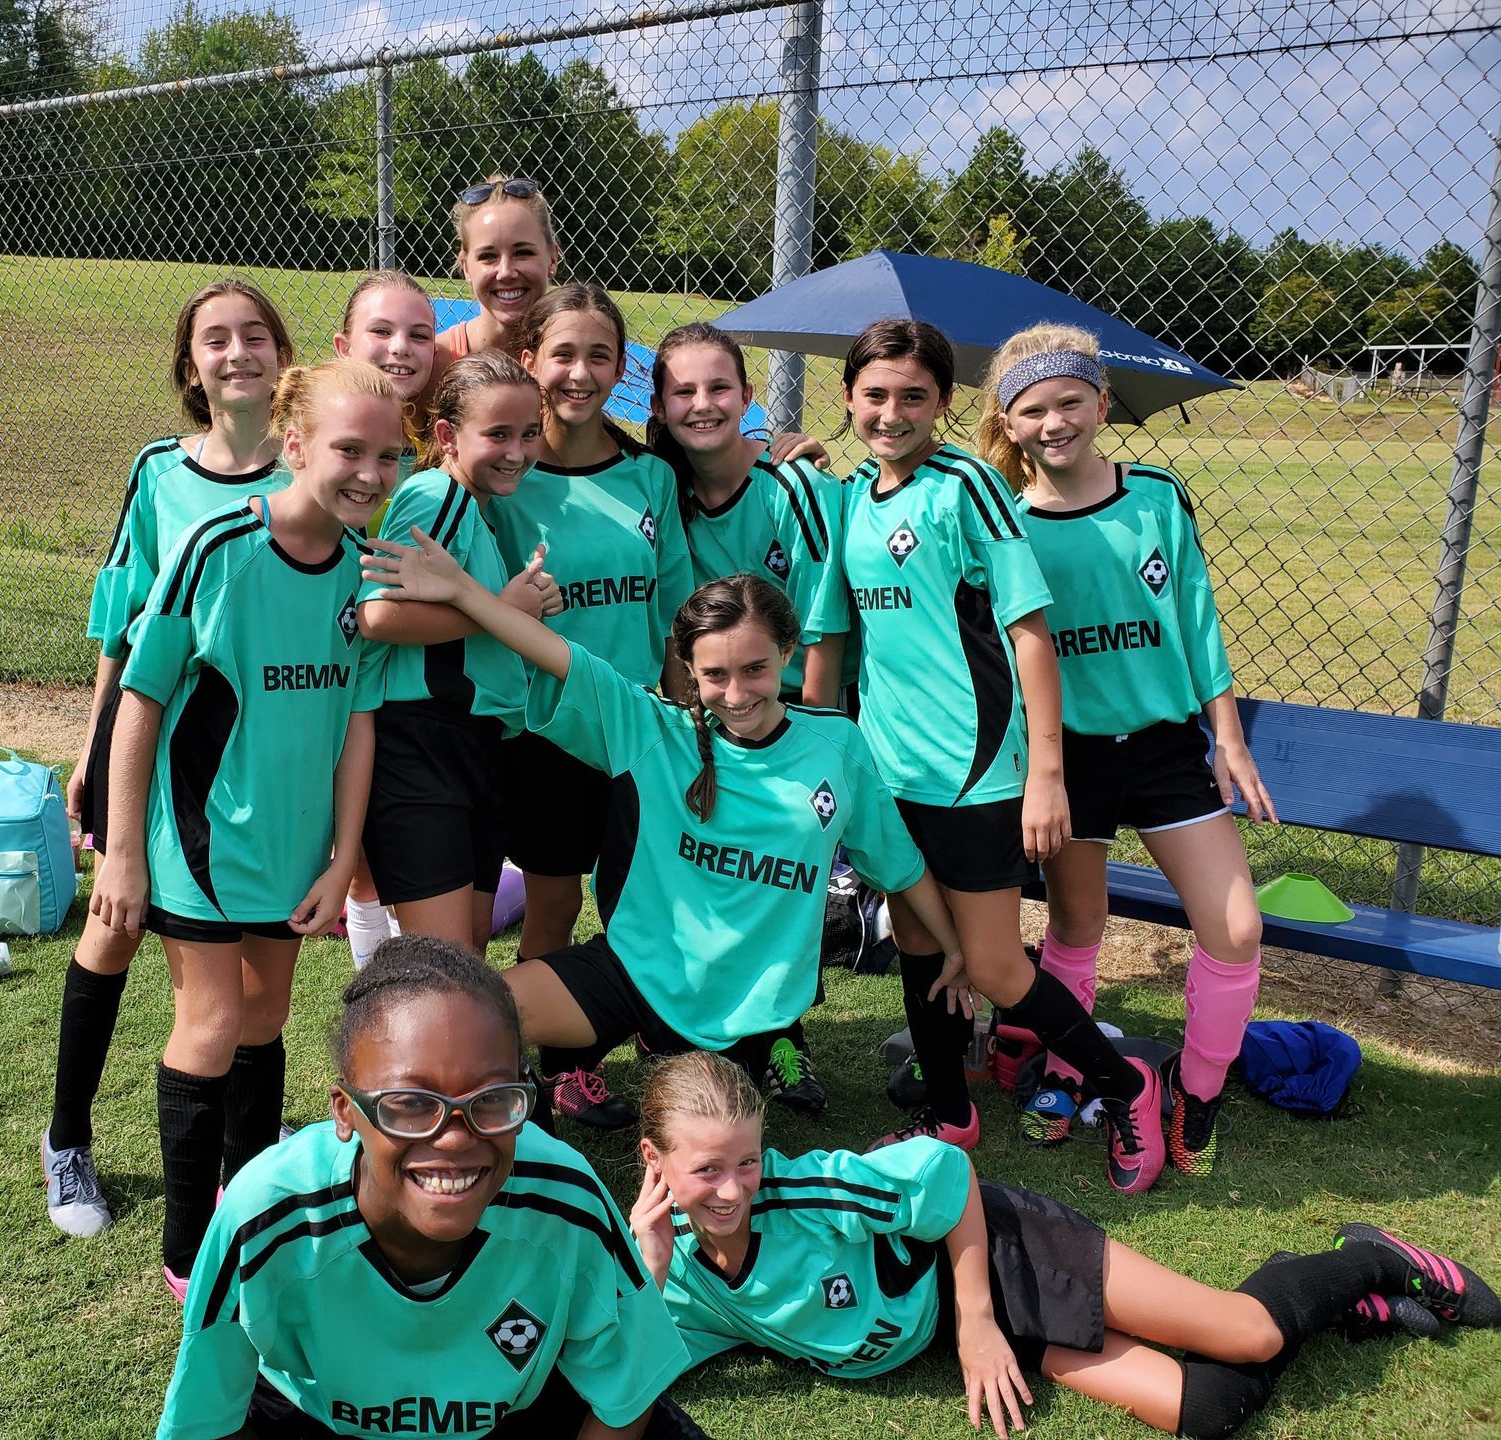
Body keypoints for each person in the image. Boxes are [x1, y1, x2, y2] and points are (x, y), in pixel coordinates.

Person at [361, 526, 970, 1129]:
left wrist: (955, 946)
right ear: (689, 671)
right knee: (458, 1015)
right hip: (632, 969)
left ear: (788, 653)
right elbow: (551, 651)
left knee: (697, 1164)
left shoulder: (835, 746)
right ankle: (450, 1128)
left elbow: (900, 864)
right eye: (715, 676)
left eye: (755, 669)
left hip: (737, 1010)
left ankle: (720, 1073)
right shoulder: (652, 730)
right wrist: (464, 590)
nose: (736, 693)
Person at [627, 1051, 1495, 1440]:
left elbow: (950, 1179)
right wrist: (654, 1269)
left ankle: (1380, 1257)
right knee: (1203, 1409)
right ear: (654, 1163)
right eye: (708, 1171)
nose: (737, 1188)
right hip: (960, 1326)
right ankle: (1337, 1301)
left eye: (747, 1159)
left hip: (997, 1250)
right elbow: (635, 1373)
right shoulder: (678, 1278)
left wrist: (974, 1323)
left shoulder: (814, 1188)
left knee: (1249, 1336)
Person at [92, 357, 405, 1294]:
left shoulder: (362, 572)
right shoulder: (218, 546)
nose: (370, 473)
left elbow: (358, 723)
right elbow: (141, 703)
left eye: (389, 456)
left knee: (265, 1018)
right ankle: (188, 1255)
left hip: (295, 846)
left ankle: (247, 1203)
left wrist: (345, 852)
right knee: (214, 1019)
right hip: (199, 840)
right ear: (297, 443)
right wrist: (121, 852)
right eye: (350, 449)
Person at [834, 318, 1166, 1194]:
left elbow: (1029, 636)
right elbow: (843, 636)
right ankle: (949, 1114)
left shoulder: (970, 486)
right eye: (875, 395)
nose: (892, 412)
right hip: (887, 773)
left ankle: (1124, 1083)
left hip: (977, 774)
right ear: (849, 400)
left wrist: (1046, 774)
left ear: (944, 402)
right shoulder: (850, 501)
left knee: (989, 964)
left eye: (914, 395)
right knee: (912, 936)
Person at [156, 935, 710, 1440]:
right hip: (315, 1418)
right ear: (346, 1112)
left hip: (516, 1415)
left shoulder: (566, 1197)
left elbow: (626, 1395)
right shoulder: (265, 1216)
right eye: (410, 1105)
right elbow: (206, 1423)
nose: (452, 1139)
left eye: (492, 1099)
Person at [977, 325, 1278, 1175]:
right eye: (1032, 409)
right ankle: (1073, 1072)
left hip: (1162, 750)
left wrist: (1225, 734)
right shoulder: (1004, 522)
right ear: (1010, 421)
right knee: (1078, 922)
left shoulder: (1155, 496)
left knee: (1237, 926)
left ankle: (1199, 1090)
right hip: (1069, 758)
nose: (1054, 421)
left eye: (1070, 401)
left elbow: (1196, 617)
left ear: (1102, 404)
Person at [46, 278, 293, 1241]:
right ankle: (68, 1139)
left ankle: (242, 1173)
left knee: (242, 993)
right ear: (191, 368)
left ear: (282, 353)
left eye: (255, 335)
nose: (237, 353)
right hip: (149, 738)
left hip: (251, 766)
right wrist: (90, 744)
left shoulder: (313, 471)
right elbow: (123, 620)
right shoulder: (158, 472)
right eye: (215, 341)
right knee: (112, 923)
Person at [463, 283, 693, 1130]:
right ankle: (540, 1071)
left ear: (624, 368)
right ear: (530, 362)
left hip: (634, 729)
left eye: (601, 355)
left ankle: (607, 1056)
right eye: (563, 353)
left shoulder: (649, 478)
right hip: (547, 732)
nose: (580, 372)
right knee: (556, 901)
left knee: (638, 898)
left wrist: (681, 726)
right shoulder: (501, 482)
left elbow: (672, 616)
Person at [357, 351, 560, 952]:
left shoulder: (473, 509)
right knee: (443, 960)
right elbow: (380, 614)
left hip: (475, 743)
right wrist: (508, 610)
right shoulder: (436, 495)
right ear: (446, 435)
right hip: (424, 744)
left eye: (529, 434)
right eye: (497, 434)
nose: (517, 451)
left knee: (465, 947)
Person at [646, 322, 847, 709]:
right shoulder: (663, 490)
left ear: (746, 397)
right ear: (658, 407)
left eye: (718, 388)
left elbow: (825, 624)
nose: (702, 404)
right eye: (684, 392)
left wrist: (816, 731)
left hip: (801, 703)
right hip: (721, 702)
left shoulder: (794, 484)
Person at [331, 270, 441, 967]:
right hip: (328, 680)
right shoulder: (317, 443)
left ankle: (403, 1000)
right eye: (382, 331)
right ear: (344, 345)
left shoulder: (437, 449)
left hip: (406, 684)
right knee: (359, 854)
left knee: (400, 850)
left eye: (419, 334)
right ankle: (375, 991)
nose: (400, 348)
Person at [431, 175, 560, 395]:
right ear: (466, 267)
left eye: (523, 253)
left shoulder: (571, 362)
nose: (506, 272)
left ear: (552, 258)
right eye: (488, 256)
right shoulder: (434, 364)